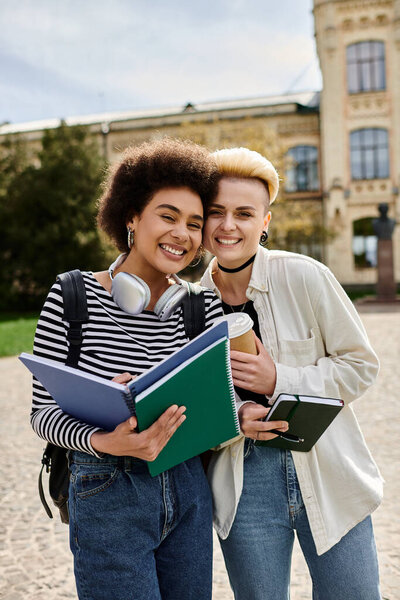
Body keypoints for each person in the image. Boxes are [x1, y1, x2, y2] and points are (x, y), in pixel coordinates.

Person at [30, 138, 226, 600]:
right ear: (132, 218)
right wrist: (104, 439)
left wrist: (239, 416)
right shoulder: (71, 296)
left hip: (187, 487)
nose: (183, 233)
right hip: (105, 488)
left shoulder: (202, 307)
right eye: (168, 216)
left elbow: (224, 403)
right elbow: (41, 412)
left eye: (195, 224)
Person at [200, 147, 383, 600]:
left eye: (244, 213)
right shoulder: (190, 303)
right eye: (216, 212)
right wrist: (236, 412)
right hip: (244, 485)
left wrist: (278, 380)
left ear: (265, 222)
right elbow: (194, 405)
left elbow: (360, 367)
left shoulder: (305, 276)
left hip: (329, 468)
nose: (228, 225)